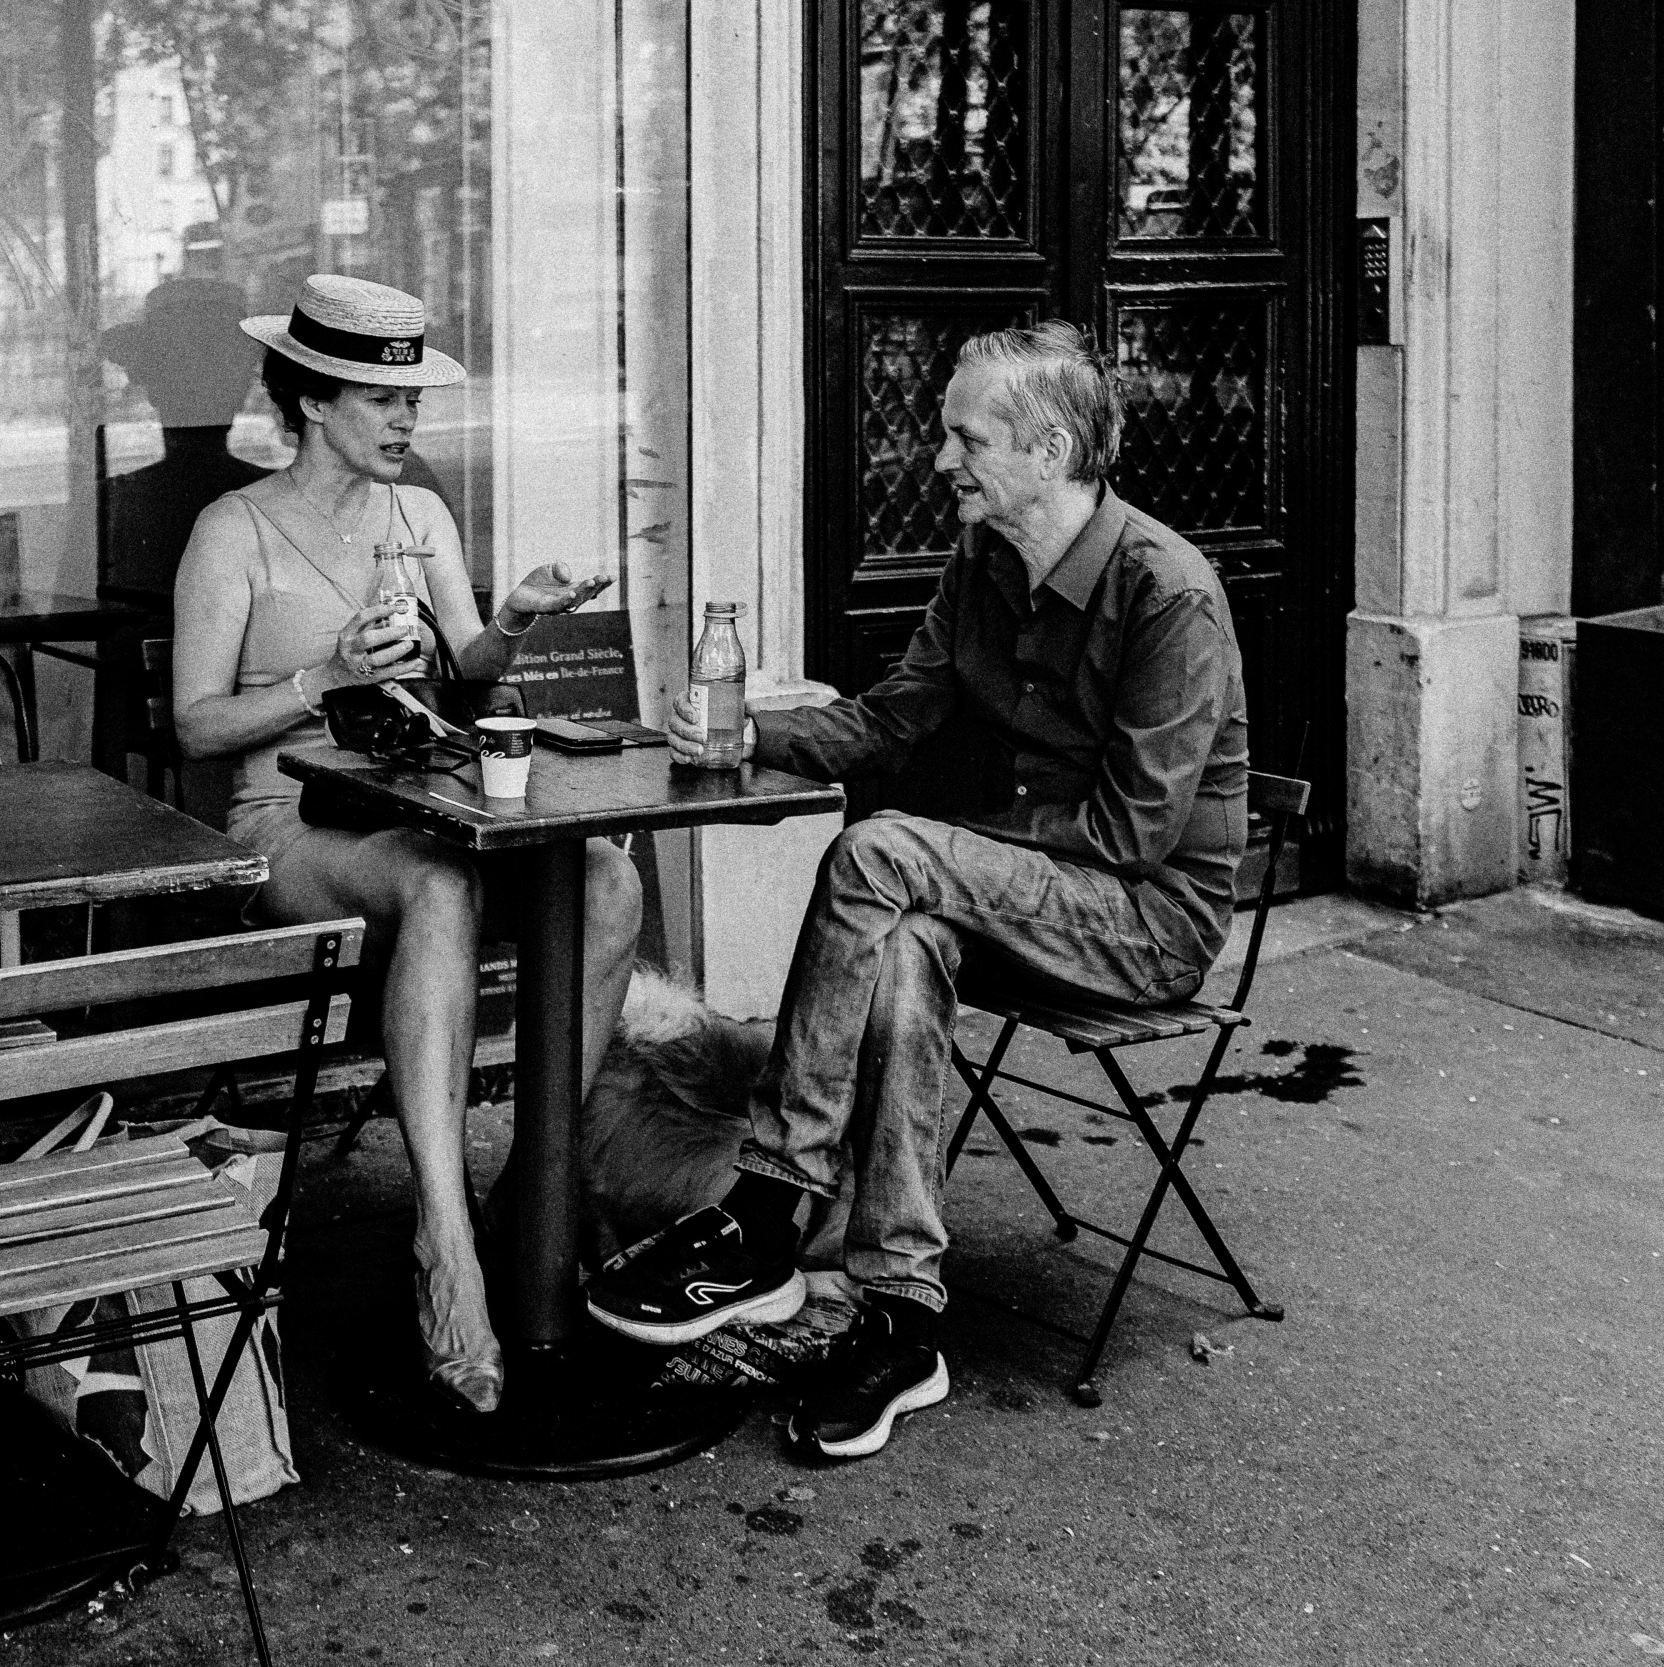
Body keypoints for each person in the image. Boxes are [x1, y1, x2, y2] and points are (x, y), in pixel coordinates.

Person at [585, 321, 1250, 1460]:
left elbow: (1131, 833)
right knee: (898, 941)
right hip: (1024, 898)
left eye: (965, 437)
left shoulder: (1166, 591)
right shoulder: (983, 560)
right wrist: (742, 734)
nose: (941, 458)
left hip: (1144, 920)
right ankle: (901, 1318)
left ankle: (769, 1207)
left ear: (1049, 450)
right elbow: (893, 719)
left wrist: (938, 849)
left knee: (885, 855)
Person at [172, 274, 642, 1414]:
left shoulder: (418, 514)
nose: (406, 420)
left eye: (412, 401)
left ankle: (532, 1191)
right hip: (287, 825)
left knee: (607, 878)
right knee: (437, 884)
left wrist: (515, 616)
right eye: (382, 399)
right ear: (313, 400)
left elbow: (468, 673)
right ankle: (445, 1242)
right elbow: (192, 726)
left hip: (419, 802)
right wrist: (322, 677)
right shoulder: (232, 530)